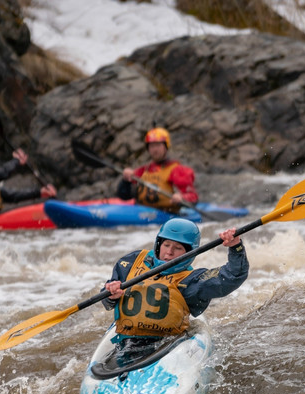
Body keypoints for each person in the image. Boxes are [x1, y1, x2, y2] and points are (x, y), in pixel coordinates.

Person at [101, 218, 248, 366]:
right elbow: (106, 299)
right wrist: (111, 294)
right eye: (166, 245)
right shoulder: (132, 262)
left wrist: (235, 247)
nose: (169, 252)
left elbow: (233, 276)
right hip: (126, 343)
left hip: (166, 344)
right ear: (158, 244)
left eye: (178, 248)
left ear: (189, 252)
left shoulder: (192, 281)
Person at [116, 127, 198, 214]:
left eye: (158, 145)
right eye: (152, 146)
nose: (155, 149)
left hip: (167, 213)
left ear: (166, 147)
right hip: (141, 213)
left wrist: (182, 198)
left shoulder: (177, 170)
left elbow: (193, 197)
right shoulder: (143, 170)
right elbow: (124, 196)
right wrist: (125, 181)